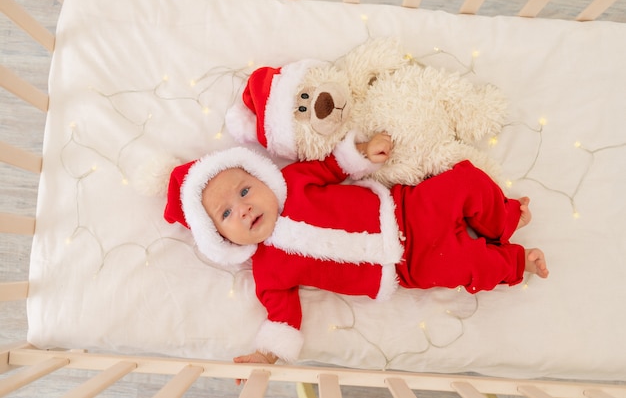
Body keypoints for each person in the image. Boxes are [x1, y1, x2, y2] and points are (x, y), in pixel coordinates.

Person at [164, 131, 548, 369]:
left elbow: (334, 166)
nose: (244, 207)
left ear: (261, 177)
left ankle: (505, 219)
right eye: (227, 213)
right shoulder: (268, 271)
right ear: (222, 238)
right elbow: (283, 317)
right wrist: (267, 354)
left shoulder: (293, 180)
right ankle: (517, 262)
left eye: (245, 190)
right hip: (406, 266)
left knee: (465, 182)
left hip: (407, 209)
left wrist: (364, 151)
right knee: (467, 266)